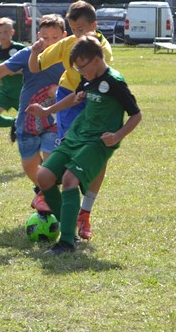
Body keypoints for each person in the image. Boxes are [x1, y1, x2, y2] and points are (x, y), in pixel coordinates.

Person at [28, 37, 141, 255]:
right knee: (44, 177)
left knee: (70, 179)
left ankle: (67, 242)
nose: (80, 72)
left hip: (96, 142)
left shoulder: (115, 82)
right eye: (77, 68)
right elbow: (74, 98)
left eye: (82, 67)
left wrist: (118, 135)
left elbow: (136, 114)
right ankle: (68, 227)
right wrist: (46, 111)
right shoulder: (87, 79)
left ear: (97, 60)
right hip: (76, 136)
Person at [28, 0, 114, 239]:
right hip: (69, 101)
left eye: (82, 29)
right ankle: (48, 193)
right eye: (74, 29)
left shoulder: (103, 51)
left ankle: (84, 213)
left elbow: (104, 86)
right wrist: (35, 52)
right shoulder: (67, 44)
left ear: (94, 26)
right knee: (68, 151)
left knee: (96, 158)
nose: (78, 35)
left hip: (95, 103)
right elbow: (36, 67)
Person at [0, 14, 67, 209]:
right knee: (29, 166)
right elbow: (1, 69)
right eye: (45, 37)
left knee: (49, 161)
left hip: (54, 120)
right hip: (27, 120)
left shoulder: (69, 57)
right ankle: (44, 191)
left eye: (55, 38)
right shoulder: (29, 53)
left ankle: (54, 203)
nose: (50, 42)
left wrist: (60, 90)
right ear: (38, 35)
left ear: (64, 36)